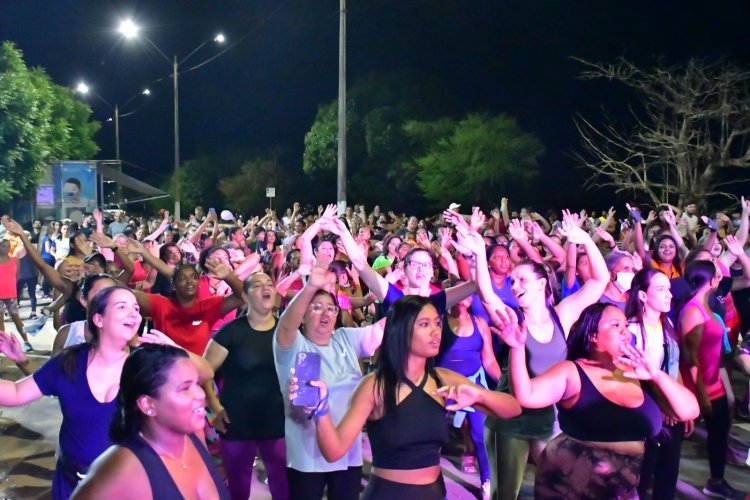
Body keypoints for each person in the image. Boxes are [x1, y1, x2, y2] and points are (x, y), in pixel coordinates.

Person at [291, 295, 521, 499]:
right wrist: (321, 410)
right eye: (424, 324)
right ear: (401, 330)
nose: (435, 332)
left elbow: (513, 409)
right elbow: (334, 451)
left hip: (435, 492)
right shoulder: (374, 386)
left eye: (437, 323)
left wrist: (479, 394)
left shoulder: (442, 379)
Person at [0, 286, 213, 499]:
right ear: (98, 319)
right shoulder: (70, 361)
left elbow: (206, 372)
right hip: (72, 482)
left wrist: (175, 350)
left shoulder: (145, 363)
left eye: (137, 309)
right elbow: (16, 393)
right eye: (122, 307)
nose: (134, 314)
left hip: (130, 487)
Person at [455, 215, 609, 500]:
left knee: (560, 486)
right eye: (512, 281)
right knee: (507, 494)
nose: (514, 286)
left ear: (541, 285)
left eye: (522, 280)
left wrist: (585, 239)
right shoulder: (512, 318)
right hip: (509, 419)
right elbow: (488, 296)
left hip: (547, 419)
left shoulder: (561, 316)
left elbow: (601, 280)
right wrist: (478, 252)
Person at [496, 302, 698, 499]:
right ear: (593, 335)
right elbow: (526, 396)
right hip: (569, 484)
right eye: (615, 325)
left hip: (622, 488)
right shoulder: (572, 371)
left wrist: (657, 376)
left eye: (626, 325)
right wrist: (517, 348)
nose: (625, 332)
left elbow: (689, 411)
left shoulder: (638, 372)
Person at [273, 258, 386, 500]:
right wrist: (310, 288)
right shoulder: (294, 346)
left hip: (348, 452)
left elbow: (386, 328)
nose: (325, 313)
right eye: (316, 307)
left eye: (331, 308)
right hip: (307, 457)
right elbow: (285, 327)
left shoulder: (345, 339)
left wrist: (410, 291)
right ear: (303, 316)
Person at [71, 344, 229, 499]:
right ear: (148, 404)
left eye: (196, 384)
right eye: (185, 388)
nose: (201, 395)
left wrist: (172, 348)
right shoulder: (124, 466)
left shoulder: (193, 435)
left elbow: (207, 371)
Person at [203, 272, 290, 500]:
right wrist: (214, 406)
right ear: (245, 296)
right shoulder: (231, 332)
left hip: (277, 420)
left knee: (283, 484)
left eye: (269, 284)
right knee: (238, 487)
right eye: (257, 285)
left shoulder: (286, 332)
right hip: (237, 421)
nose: (266, 288)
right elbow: (203, 371)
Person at [626, 269, 689, 499]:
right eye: (661, 289)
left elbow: (674, 366)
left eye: (668, 289)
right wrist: (663, 407)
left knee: (668, 474)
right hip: (647, 414)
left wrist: (681, 406)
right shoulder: (632, 331)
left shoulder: (667, 322)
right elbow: (634, 381)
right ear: (643, 295)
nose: (668, 295)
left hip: (671, 411)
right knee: (643, 475)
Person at [678, 260, 739, 498]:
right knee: (716, 435)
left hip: (714, 383)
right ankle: (715, 482)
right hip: (705, 387)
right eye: (717, 274)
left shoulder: (705, 304)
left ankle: (717, 480)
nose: (720, 277)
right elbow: (691, 358)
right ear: (710, 279)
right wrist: (703, 396)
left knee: (720, 434)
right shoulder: (693, 311)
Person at [436, 293, 500, 497]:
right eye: (458, 293)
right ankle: (428, 483)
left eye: (467, 296)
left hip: (473, 385)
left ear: (471, 300)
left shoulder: (480, 324)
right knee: (432, 436)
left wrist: (505, 385)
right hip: (443, 386)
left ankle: (487, 482)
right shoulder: (438, 321)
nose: (462, 299)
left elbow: (489, 360)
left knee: (481, 436)